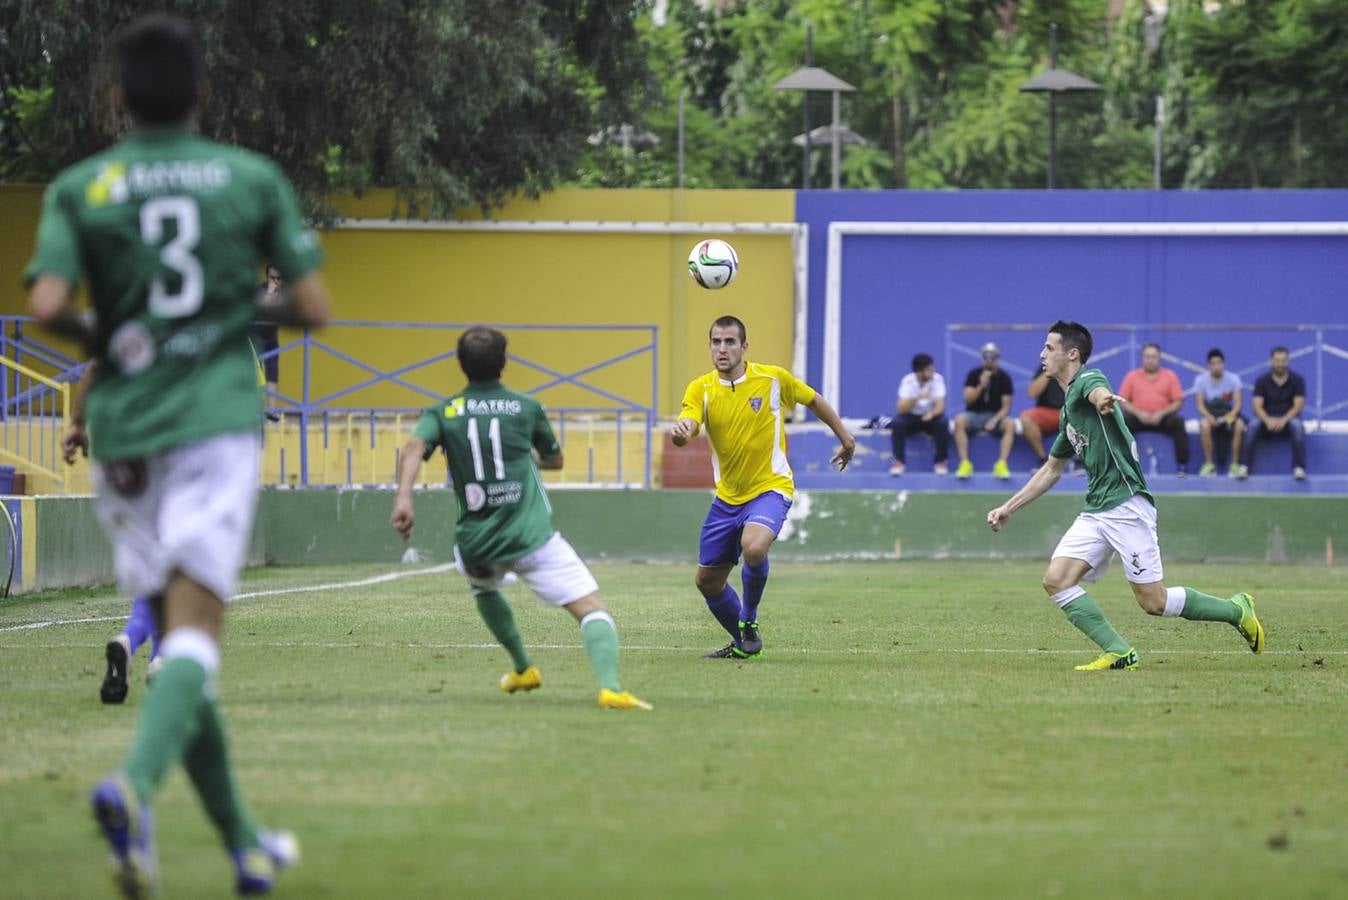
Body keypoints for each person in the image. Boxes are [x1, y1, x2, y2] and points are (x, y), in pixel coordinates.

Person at [25, 15, 331, 897]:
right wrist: (220, 315)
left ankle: (244, 846)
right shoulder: (247, 177)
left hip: (122, 430)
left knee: (174, 634)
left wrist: (118, 329)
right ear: (203, 94)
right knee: (192, 641)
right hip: (211, 423)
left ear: (116, 97)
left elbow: (48, 300)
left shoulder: (84, 185)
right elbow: (312, 305)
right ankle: (131, 787)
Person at [391, 327, 652, 712]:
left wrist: (403, 498)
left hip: (477, 540)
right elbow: (556, 459)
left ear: (461, 365)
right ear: (505, 363)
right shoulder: (525, 407)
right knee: (592, 608)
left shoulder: (442, 412)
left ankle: (523, 667)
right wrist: (527, 457)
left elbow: (414, 447)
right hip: (531, 537)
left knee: (482, 585)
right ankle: (611, 688)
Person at [986, 322, 1264, 671]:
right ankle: (1119, 651)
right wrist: (1009, 507)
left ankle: (1236, 609)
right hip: (1097, 510)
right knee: (1055, 580)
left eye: (1049, 347)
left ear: (1071, 354)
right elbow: (1051, 469)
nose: (1042, 354)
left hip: (1127, 505)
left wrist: (1104, 401)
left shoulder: (1087, 381)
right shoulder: (1068, 413)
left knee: (1154, 602)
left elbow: (1098, 390)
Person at [670, 315, 855, 659]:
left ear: (744, 346)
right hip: (727, 498)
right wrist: (682, 432)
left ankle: (748, 621)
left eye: (729, 342)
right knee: (707, 582)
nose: (722, 349)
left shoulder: (772, 379)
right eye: (716, 342)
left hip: (770, 487)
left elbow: (813, 399)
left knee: (754, 548)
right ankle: (744, 644)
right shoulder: (701, 389)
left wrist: (845, 438)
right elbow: (690, 423)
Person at [61, 360, 165, 704]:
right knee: (175, 566)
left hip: (119, 457)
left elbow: (92, 369)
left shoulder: (123, 318)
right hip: (168, 451)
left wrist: (77, 423)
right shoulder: (190, 325)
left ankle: (128, 641)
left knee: (151, 564)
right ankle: (159, 658)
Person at [1118, 343, 1190, 476]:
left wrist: (1161, 414)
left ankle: (1182, 465)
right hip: (1139, 419)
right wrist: (1139, 413)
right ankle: (1122, 465)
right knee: (1122, 421)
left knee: (1179, 421)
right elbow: (1122, 400)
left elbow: (1178, 401)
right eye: (1147, 357)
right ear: (1142, 358)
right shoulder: (1132, 376)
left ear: (1159, 358)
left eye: (1153, 357)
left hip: (1162, 419)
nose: (1150, 360)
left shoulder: (1170, 376)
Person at [1237, 346, 1307, 480]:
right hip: (1266, 420)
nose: (1280, 364)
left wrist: (1283, 420)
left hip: (1288, 420)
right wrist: (1267, 420)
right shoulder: (1261, 380)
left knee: (1297, 426)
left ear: (1288, 361)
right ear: (1271, 361)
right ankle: (1244, 466)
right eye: (1277, 361)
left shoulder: (1297, 380)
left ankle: (1299, 467)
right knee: (1252, 426)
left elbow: (1298, 406)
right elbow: (1257, 406)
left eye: (1283, 361)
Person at [954, 341, 1014, 479]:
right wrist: (981, 385)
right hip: (973, 415)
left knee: (1010, 424)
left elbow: (1006, 407)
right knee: (959, 420)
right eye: (986, 356)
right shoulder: (973, 374)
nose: (989, 360)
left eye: (992, 357)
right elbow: (967, 400)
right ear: (982, 358)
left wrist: (995, 419)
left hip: (994, 416)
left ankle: (1001, 464)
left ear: (997, 359)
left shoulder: (1004, 378)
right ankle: (964, 463)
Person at [889, 353, 948, 476]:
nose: (933, 372)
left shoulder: (938, 379)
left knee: (943, 422)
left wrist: (931, 414)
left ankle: (940, 462)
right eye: (929, 369)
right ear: (920, 372)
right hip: (912, 417)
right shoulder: (907, 381)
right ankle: (899, 461)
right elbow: (901, 409)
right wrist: (917, 397)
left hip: (931, 417)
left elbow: (940, 406)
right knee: (898, 423)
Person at [1193, 348, 1246, 476]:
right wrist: (1209, 417)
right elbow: (1200, 405)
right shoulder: (1200, 380)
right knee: (1204, 425)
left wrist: (1228, 418)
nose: (1217, 366)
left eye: (1219, 363)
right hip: (1210, 415)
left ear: (1224, 364)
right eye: (1213, 364)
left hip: (1228, 415)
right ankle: (1209, 465)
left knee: (1239, 425)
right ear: (1209, 365)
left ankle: (1235, 465)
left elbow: (1238, 404)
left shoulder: (1234, 379)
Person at [1019, 363, 1065, 468]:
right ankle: (1043, 460)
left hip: (1069, 411)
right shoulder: (1045, 367)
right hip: (1047, 412)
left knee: (1086, 416)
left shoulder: (1076, 367)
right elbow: (1032, 393)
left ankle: (1080, 461)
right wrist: (1049, 372)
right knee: (1026, 419)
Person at [253, 266, 282, 421]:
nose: (275, 281)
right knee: (257, 372)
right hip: (257, 334)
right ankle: (255, 408)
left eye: (278, 278)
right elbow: (261, 309)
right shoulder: (260, 290)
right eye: (272, 278)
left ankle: (271, 409)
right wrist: (270, 292)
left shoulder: (283, 292)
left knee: (272, 371)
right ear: (267, 277)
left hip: (272, 336)